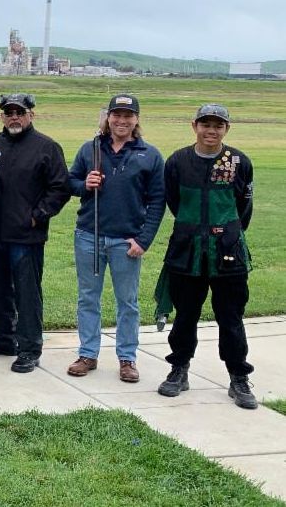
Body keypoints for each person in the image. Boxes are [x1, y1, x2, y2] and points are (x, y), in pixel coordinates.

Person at [156, 104, 258, 409]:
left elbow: (244, 207)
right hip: (187, 251)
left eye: (218, 125)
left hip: (228, 252)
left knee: (231, 317)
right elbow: (174, 201)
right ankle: (179, 369)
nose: (211, 131)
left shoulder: (239, 162)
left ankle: (238, 377)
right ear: (194, 126)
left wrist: (226, 232)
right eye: (205, 124)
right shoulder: (177, 161)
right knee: (185, 315)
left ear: (227, 129)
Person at [67, 94, 165, 384]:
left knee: (127, 301)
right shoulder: (90, 149)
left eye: (128, 115)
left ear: (136, 119)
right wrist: (85, 185)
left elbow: (158, 201)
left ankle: (127, 358)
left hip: (127, 241)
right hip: (89, 235)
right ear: (108, 118)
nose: (122, 121)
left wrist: (143, 240)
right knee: (88, 298)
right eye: (116, 115)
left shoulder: (150, 155)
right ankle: (88, 354)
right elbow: (70, 182)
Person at [0, 93, 70, 373]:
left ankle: (29, 348)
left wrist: (38, 215)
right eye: (9, 112)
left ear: (31, 115)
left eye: (20, 112)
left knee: (27, 295)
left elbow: (60, 188)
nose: (14, 117)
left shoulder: (47, 147)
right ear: (2, 116)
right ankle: (2, 338)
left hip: (27, 236)